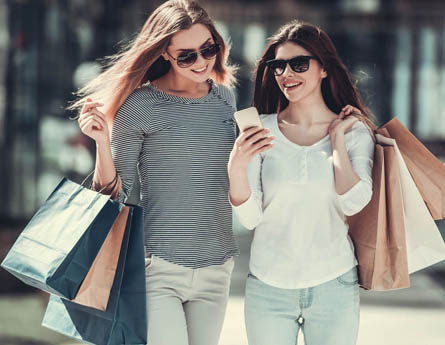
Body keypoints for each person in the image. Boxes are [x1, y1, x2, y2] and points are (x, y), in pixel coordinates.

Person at [75, 1, 239, 344]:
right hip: (158, 266)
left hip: (218, 264)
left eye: (208, 49)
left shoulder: (225, 99)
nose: (201, 61)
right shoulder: (139, 105)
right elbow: (116, 192)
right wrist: (103, 144)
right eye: (187, 55)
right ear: (165, 51)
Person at [228, 20, 375, 345]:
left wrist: (336, 139)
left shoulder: (354, 131)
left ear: (324, 68)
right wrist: (236, 167)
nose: (285, 74)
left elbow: (353, 201)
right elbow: (250, 218)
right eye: (278, 66)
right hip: (268, 285)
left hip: (333, 284)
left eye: (298, 64)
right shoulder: (260, 130)